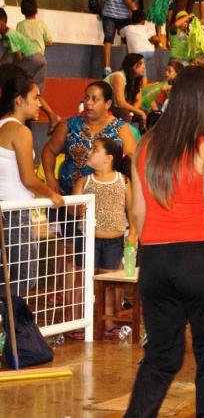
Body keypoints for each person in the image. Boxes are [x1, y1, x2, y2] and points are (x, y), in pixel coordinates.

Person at [124, 66, 204, 417]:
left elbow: (138, 215)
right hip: (200, 262)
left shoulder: (146, 145)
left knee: (161, 359)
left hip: (156, 262)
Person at [0, 73, 64, 296]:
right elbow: (28, 179)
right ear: (19, 100)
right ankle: (13, 328)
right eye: (36, 97)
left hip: (5, 209)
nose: (39, 103)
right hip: (15, 213)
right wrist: (51, 194)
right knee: (25, 275)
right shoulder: (20, 131)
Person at [73, 137, 135, 332]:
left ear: (108, 158)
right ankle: (77, 321)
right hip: (88, 239)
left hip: (113, 241)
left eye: (95, 149)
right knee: (82, 280)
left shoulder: (123, 180)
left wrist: (133, 232)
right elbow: (72, 208)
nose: (89, 152)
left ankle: (108, 322)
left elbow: (131, 209)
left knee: (109, 283)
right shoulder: (84, 181)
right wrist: (78, 209)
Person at [42, 81, 136, 196]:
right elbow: (49, 151)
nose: (88, 103)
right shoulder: (69, 125)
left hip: (106, 197)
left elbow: (131, 161)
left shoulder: (121, 128)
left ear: (108, 103)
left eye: (95, 99)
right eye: (86, 98)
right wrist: (50, 178)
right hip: (69, 197)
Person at [4, 4, 61, 132]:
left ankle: (13, 112)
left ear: (22, 11)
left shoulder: (19, 26)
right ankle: (52, 115)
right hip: (41, 58)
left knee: (15, 81)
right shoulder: (41, 24)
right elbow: (50, 42)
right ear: (36, 10)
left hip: (29, 57)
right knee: (35, 92)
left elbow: (17, 49)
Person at [98, 0, 137, 78]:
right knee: (126, 41)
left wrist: (103, 7)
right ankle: (127, 67)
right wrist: (134, 8)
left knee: (108, 39)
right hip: (123, 16)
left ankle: (107, 66)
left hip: (108, 14)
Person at [106, 53, 148, 123]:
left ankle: (141, 134)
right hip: (106, 106)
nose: (144, 67)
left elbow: (138, 100)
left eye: (144, 64)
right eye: (140, 64)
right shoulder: (118, 76)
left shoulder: (136, 79)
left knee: (148, 115)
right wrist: (139, 112)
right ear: (132, 65)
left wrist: (134, 112)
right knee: (125, 114)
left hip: (119, 108)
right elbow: (121, 103)